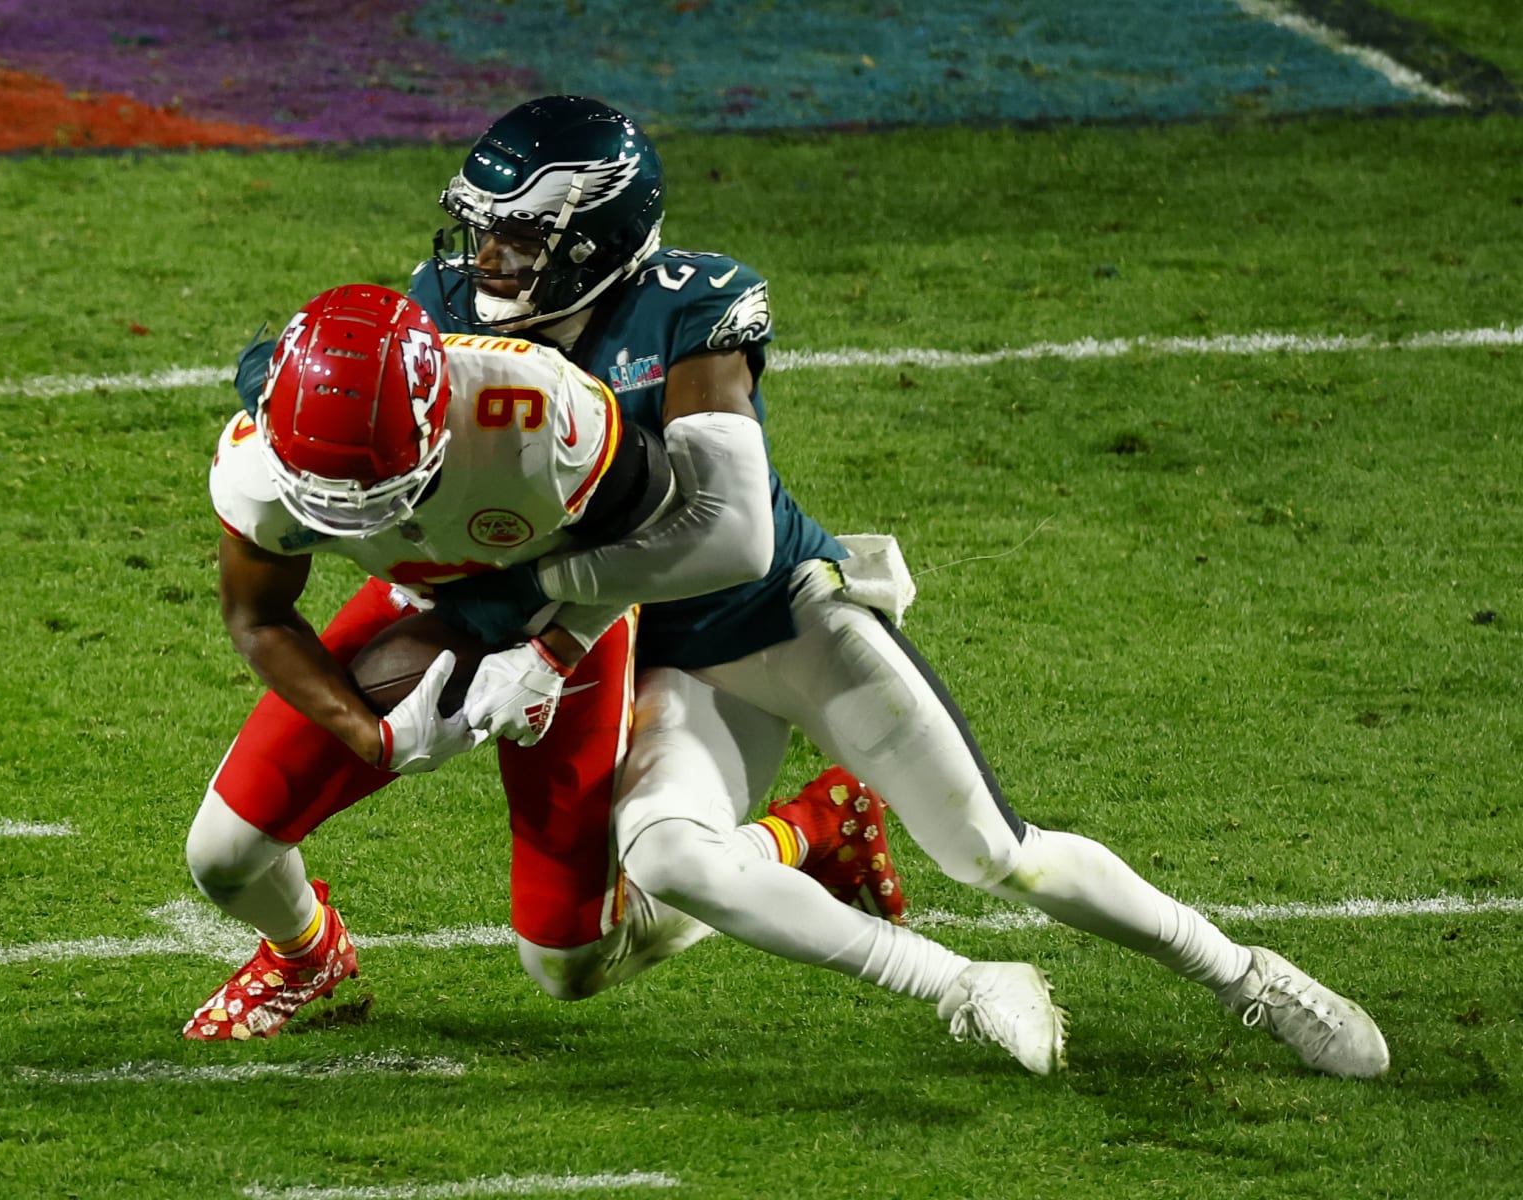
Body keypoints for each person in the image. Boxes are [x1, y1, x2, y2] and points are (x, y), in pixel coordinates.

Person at [410, 94, 1389, 1078]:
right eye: (486, 231)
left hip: (781, 617)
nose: (490, 260)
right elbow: (294, 381)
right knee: (666, 858)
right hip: (669, 660)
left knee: (995, 854)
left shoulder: (686, 305)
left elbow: (736, 537)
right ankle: (961, 982)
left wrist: (549, 621)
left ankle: (1245, 976)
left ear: (598, 237)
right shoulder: (445, 312)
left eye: (523, 237)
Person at [185, 283, 1065, 1073]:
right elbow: (259, 617)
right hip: (428, 599)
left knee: (570, 962)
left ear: (435, 419)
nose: (351, 515)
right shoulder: (260, 464)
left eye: (377, 488)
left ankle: (807, 829)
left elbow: (659, 547)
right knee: (222, 856)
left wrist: (548, 652)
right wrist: (370, 730)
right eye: (324, 493)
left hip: (569, 614)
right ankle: (308, 958)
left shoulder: (532, 416)